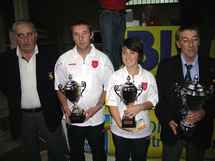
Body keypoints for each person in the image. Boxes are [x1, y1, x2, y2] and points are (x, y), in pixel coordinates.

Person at [0, 19, 65, 161]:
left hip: (48, 112)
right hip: (23, 117)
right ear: (15, 37)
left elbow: (61, 81)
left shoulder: (51, 55)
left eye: (29, 34)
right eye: (20, 35)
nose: (26, 39)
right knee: (30, 152)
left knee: (56, 149)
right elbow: (5, 86)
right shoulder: (5, 60)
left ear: (35, 35)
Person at [54, 21, 114, 161]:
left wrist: (98, 106)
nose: (81, 38)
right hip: (73, 119)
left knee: (99, 154)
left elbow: (108, 87)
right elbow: (59, 87)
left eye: (84, 33)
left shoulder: (103, 59)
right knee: (75, 154)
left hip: (96, 118)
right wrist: (65, 108)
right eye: (76, 34)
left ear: (91, 35)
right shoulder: (63, 60)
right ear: (72, 37)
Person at [155, 24, 215, 161]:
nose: (191, 45)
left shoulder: (211, 66)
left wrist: (204, 112)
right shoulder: (165, 66)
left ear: (199, 41)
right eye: (185, 40)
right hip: (173, 131)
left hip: (201, 131)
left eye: (194, 39)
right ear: (178, 43)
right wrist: (168, 120)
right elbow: (159, 99)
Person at [106, 37, 158, 161]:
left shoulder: (149, 77)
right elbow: (111, 102)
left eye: (132, 52)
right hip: (119, 131)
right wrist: (119, 124)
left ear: (139, 55)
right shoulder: (115, 76)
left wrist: (140, 107)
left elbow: (154, 100)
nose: (128, 56)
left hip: (141, 131)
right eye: (124, 52)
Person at [99, 0, 130, 71]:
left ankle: (111, 70)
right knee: (108, 48)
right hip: (107, 12)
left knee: (119, 48)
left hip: (121, 14)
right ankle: (112, 71)